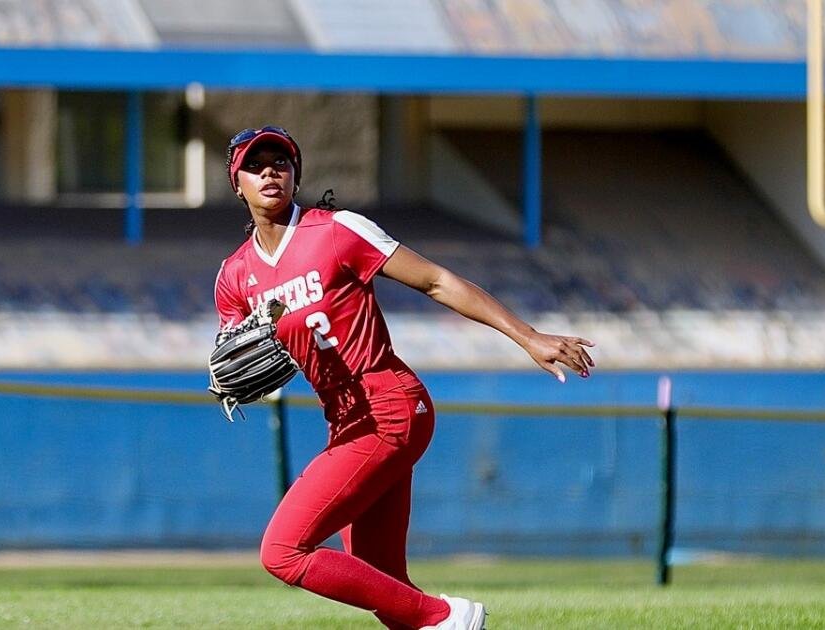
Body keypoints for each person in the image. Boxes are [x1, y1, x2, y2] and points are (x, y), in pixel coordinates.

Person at [213, 126, 595, 630]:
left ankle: (450, 616)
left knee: (282, 550)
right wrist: (227, 380)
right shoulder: (235, 277)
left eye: (280, 162)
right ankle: (437, 622)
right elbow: (233, 354)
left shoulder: (336, 231)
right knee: (385, 586)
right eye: (254, 164)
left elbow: (436, 280)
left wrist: (527, 336)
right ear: (236, 182)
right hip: (345, 422)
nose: (269, 171)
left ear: (296, 176)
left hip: (389, 405)